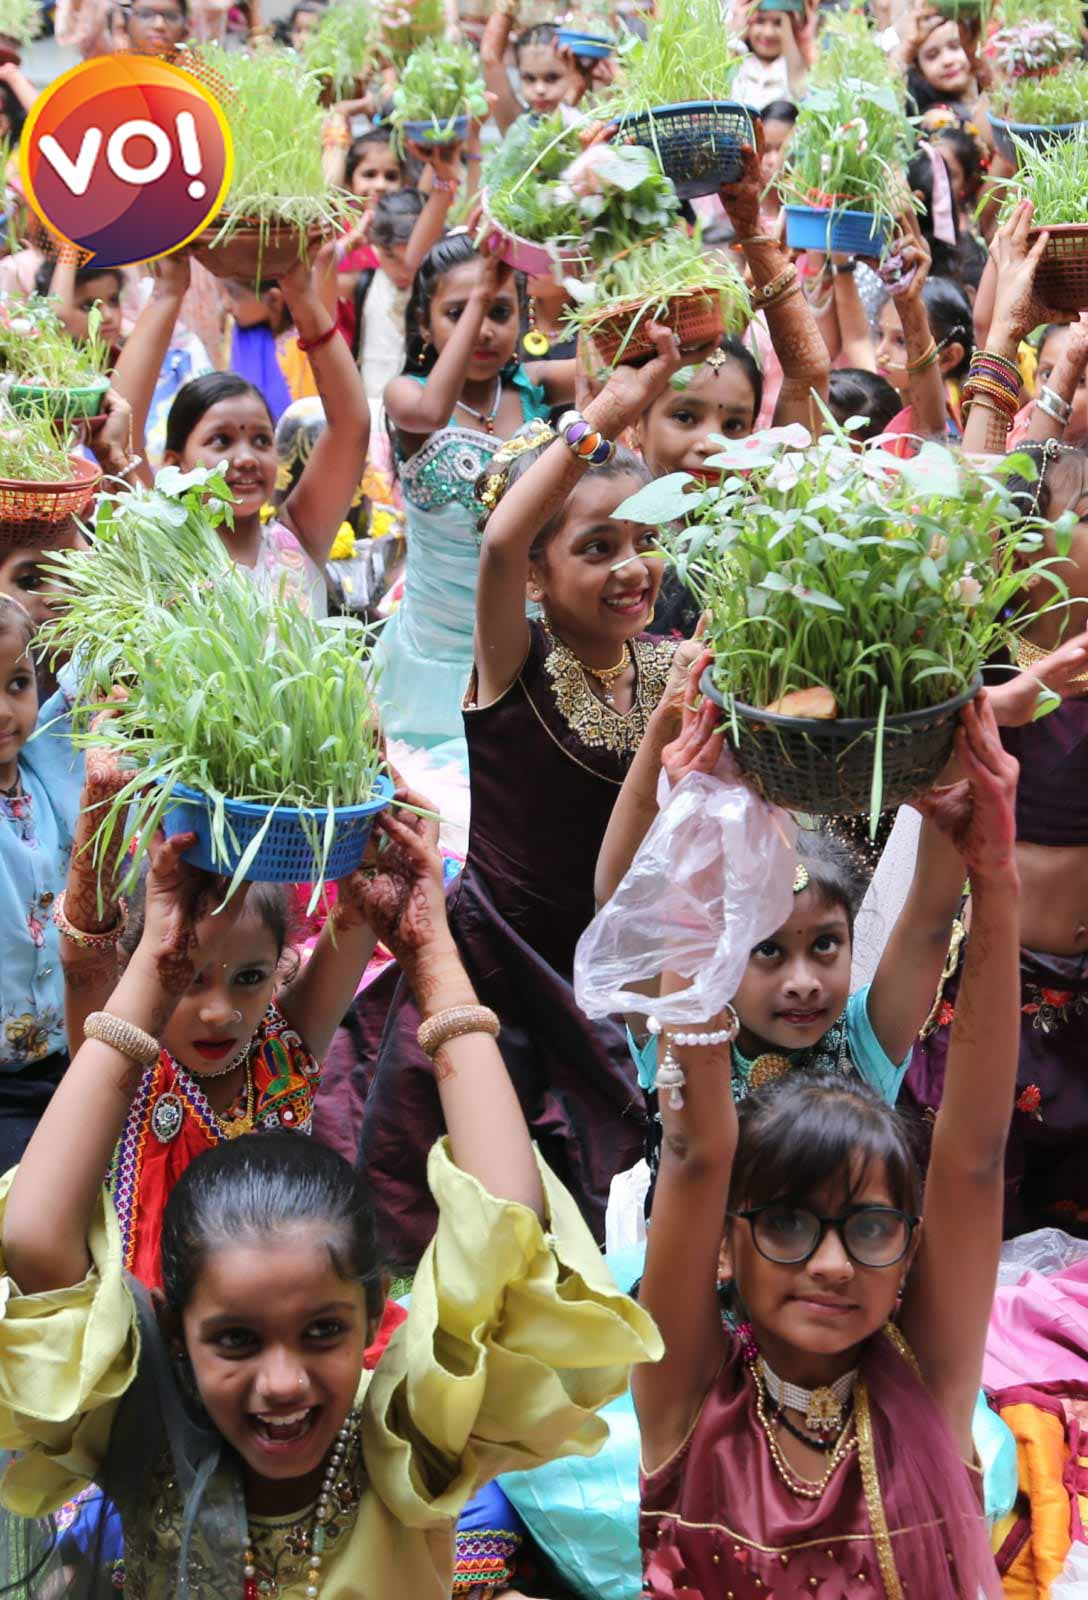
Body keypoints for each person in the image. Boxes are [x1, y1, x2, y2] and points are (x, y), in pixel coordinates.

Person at [0, 803, 662, 1599]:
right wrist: (149, 969)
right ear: (176, 1332)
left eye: (321, 1331)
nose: (283, 1383)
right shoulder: (138, 1427)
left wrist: (434, 958)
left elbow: (508, 1242)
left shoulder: (401, 1444)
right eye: (238, 1340)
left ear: (377, 1311)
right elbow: (34, 1240)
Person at [635, 692, 1016, 1597]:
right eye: (788, 1225)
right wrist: (692, 850)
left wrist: (995, 878)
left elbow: (973, 1159)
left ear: (912, 1250)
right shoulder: (689, 1401)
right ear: (724, 1245)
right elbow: (694, 1153)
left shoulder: (929, 1388)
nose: (834, 1266)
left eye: (872, 1227)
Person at [354, 326, 700, 1266]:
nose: (632, 567)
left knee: (618, 1206)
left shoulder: (671, 668)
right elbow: (502, 537)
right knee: (496, 1214)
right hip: (503, 971)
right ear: (538, 579)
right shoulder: (515, 664)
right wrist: (615, 407)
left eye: (645, 542)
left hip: (620, 984)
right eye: (598, 547)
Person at [597, 649, 987, 1179]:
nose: (803, 983)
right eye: (768, 950)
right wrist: (670, 719)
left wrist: (952, 724)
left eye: (825, 945)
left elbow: (929, 921)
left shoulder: (863, 1044)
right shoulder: (685, 1023)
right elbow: (621, 900)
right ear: (716, 953)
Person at [375, 235, 573, 763]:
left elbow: (616, 365)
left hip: (528, 642)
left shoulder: (534, 387)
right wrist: (485, 292)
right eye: (458, 312)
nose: (483, 329)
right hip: (433, 661)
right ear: (425, 324)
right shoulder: (406, 394)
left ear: (524, 318)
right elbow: (431, 412)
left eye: (500, 312)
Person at [113, 251, 370, 617]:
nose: (247, 458)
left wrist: (300, 293)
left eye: (262, 440)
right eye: (221, 440)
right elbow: (118, 434)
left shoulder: (296, 540)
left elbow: (351, 425)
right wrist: (168, 293)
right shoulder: (163, 544)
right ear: (174, 463)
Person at [0, 597, 82, 1171]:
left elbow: (96, 672)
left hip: (67, 1054)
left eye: (17, 684)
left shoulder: (47, 757)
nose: (4, 711)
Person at [481, 17, 587, 133]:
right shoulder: (519, 127)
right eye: (529, 79)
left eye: (552, 78)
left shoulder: (592, 122)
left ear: (577, 75)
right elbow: (490, 58)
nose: (539, 89)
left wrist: (570, 99)